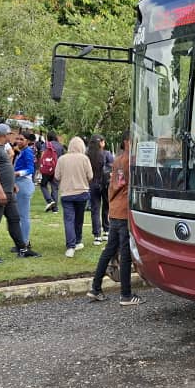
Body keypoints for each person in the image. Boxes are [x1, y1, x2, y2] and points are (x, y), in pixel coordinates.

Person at [87, 129, 143, 306]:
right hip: (124, 210)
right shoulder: (130, 161)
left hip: (115, 209)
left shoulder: (118, 159)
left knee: (109, 250)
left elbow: (113, 186)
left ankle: (95, 288)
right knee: (125, 253)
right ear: (128, 142)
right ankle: (126, 295)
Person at [0, 123, 40, 262]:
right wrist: (0, 191)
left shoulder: (1, 147)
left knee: (14, 219)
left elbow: (3, 169)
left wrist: (11, 184)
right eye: (9, 134)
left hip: (8, 191)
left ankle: (22, 249)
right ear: (3, 135)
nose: (11, 137)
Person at [54, 136, 92, 257]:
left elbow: (56, 176)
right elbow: (90, 176)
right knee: (79, 219)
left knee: (69, 220)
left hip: (66, 193)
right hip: (82, 193)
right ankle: (78, 241)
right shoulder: (84, 159)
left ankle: (70, 246)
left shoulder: (62, 159)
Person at [87, 134, 114, 246]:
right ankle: (106, 231)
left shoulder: (87, 155)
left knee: (95, 209)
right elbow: (114, 166)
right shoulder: (106, 154)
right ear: (101, 142)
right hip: (105, 183)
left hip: (93, 184)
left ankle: (97, 235)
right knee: (106, 207)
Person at [12, 131, 37, 250]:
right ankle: (22, 241)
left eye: (21, 139)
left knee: (23, 216)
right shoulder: (22, 152)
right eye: (17, 139)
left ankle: (25, 242)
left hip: (23, 183)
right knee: (19, 215)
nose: (18, 141)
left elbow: (31, 169)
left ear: (27, 141)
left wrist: (17, 173)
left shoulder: (27, 152)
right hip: (20, 183)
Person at [39, 131, 64, 212]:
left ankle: (49, 200)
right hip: (57, 169)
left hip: (47, 168)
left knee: (43, 185)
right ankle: (55, 209)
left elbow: (42, 156)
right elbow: (62, 158)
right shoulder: (60, 146)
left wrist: (41, 166)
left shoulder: (46, 144)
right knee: (55, 188)